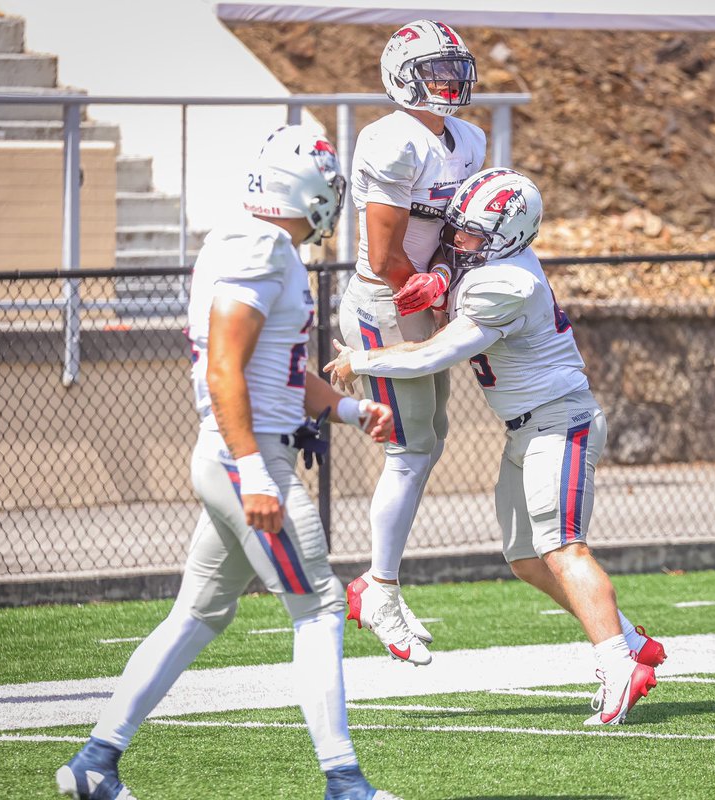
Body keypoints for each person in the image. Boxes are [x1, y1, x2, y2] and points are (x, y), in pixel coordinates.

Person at [57, 126, 401, 800]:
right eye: (329, 185)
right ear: (305, 190)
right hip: (246, 456)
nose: (335, 197)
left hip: (241, 452)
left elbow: (278, 369)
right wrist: (252, 471)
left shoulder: (253, 242)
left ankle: (96, 762)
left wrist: (349, 410)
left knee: (200, 613)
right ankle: (344, 783)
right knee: (320, 606)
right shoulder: (260, 246)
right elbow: (224, 369)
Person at [327, 168, 665, 725]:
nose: (459, 241)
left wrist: (360, 360)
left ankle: (617, 662)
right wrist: (441, 276)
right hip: (526, 429)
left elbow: (434, 354)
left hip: (560, 422)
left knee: (564, 548)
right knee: (527, 560)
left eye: (473, 235)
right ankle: (629, 639)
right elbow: (454, 265)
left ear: (509, 237)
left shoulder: (508, 283)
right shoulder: (488, 261)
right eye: (457, 229)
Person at [338, 19, 486, 666]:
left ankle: (380, 578)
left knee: (432, 439)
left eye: (455, 70)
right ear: (402, 75)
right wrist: (421, 286)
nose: (449, 82)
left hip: (425, 297)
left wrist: (446, 274)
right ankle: (381, 589)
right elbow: (384, 253)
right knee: (409, 449)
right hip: (386, 301)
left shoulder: (468, 139)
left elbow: (454, 231)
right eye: (436, 71)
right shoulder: (391, 141)